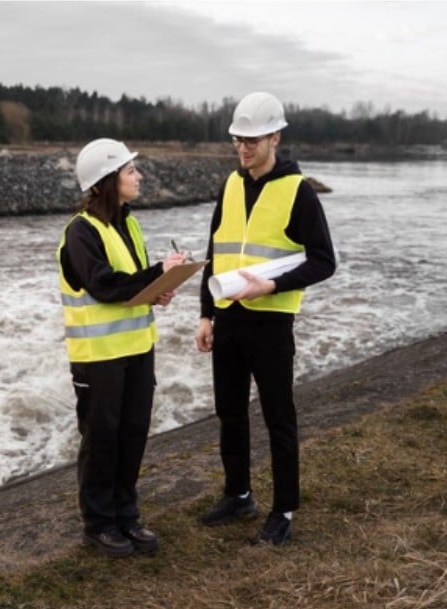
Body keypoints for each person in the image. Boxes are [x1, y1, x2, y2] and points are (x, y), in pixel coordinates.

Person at [194, 92, 337, 546]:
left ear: (275, 137)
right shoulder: (230, 185)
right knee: (230, 412)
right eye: (239, 139)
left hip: (272, 324)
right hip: (229, 320)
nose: (244, 148)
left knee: (279, 418)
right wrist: (205, 313)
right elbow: (215, 252)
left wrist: (272, 285)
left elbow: (324, 261)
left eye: (253, 139)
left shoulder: (299, 192)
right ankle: (238, 494)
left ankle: (284, 511)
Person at [57, 138, 185, 557]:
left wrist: (158, 289)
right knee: (102, 439)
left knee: (132, 434)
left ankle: (126, 516)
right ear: (108, 180)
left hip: (136, 349)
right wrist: (153, 276)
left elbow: (132, 285)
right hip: (98, 359)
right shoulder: (80, 232)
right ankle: (98, 524)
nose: (138, 176)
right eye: (131, 171)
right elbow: (104, 285)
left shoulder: (129, 224)